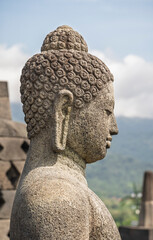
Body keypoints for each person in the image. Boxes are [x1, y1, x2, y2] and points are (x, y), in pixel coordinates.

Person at [10, 26, 121, 240]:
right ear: (64, 110)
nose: (114, 128)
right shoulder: (56, 197)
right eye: (107, 111)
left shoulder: (55, 188)